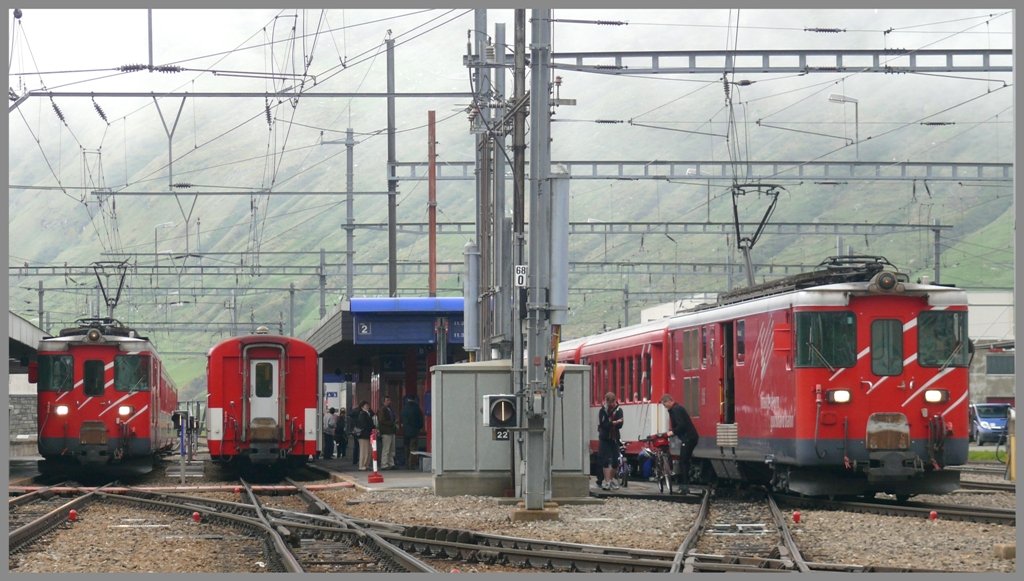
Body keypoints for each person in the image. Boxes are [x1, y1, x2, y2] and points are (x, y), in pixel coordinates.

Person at [661, 393, 699, 493]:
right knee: (684, 461)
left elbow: (681, 425)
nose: (665, 408)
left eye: (665, 405)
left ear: (669, 401)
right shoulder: (676, 409)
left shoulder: (676, 410)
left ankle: (684, 487)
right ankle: (684, 485)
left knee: (683, 462)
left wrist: (672, 432)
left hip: (688, 438)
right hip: (689, 438)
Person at [597, 391, 624, 491]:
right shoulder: (602, 411)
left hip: (614, 437)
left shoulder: (619, 410)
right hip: (604, 438)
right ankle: (607, 481)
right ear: (606, 401)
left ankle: (611, 479)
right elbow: (603, 424)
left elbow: (620, 424)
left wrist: (611, 423)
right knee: (605, 460)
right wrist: (614, 422)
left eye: (613, 403)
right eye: (609, 403)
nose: (611, 405)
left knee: (615, 460)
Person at [400, 395, 424, 468]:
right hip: (414, 431)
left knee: (406, 447)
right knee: (413, 448)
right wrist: (419, 427)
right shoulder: (417, 408)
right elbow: (420, 420)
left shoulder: (404, 408)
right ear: (414, 399)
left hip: (405, 431)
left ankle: (407, 463)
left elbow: (401, 419)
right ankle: (412, 463)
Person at [377, 395, 398, 470]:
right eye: (387, 400)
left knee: (392, 449)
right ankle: (384, 464)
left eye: (389, 400)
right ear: (384, 402)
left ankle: (391, 463)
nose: (389, 402)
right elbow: (382, 420)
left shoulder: (390, 409)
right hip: (386, 431)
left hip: (391, 431)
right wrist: (392, 423)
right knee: (386, 448)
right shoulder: (382, 410)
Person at [355, 401, 375, 471]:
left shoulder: (367, 413)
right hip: (363, 435)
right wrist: (371, 427)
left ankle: (366, 464)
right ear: (362, 407)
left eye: (368, 405)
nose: (367, 406)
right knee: (364, 451)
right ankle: (361, 465)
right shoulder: (362, 414)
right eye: (366, 405)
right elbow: (364, 425)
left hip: (368, 435)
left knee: (369, 451)